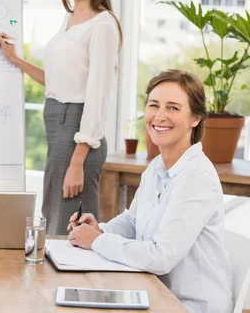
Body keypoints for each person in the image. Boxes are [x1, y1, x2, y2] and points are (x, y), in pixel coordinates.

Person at [67, 70, 233, 313]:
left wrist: (97, 241)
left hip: (190, 306)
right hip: (155, 294)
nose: (160, 116)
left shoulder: (195, 177)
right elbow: (133, 220)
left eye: (173, 108)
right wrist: (101, 229)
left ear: (195, 118)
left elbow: (160, 257)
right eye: (154, 105)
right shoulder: (158, 166)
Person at [0, 0, 122, 235]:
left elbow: (97, 96)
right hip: (58, 128)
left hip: (78, 135)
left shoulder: (102, 24)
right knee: (55, 219)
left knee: (70, 227)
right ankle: (58, 283)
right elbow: (57, 82)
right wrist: (15, 59)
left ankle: (77, 283)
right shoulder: (70, 19)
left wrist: (77, 162)